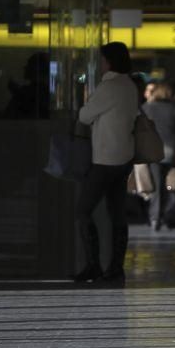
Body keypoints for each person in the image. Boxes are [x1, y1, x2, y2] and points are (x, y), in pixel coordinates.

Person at [74, 42, 139, 287]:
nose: (99, 64)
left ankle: (93, 265)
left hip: (104, 159)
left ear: (109, 61)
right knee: (117, 214)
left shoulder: (109, 86)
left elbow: (84, 116)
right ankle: (116, 268)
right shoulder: (130, 85)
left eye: (102, 60)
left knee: (83, 211)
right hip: (124, 158)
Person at [142, 81, 175, 231]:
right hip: (171, 150)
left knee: (157, 184)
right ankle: (164, 214)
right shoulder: (174, 109)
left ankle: (155, 217)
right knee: (167, 184)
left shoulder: (146, 108)